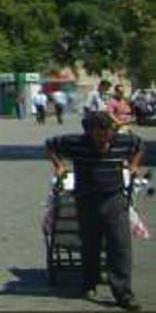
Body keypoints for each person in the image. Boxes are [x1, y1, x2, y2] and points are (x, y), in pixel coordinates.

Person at [46, 112, 145, 310]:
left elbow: (140, 145)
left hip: (114, 199)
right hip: (87, 199)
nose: (103, 140)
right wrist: (59, 165)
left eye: (107, 135)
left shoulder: (123, 141)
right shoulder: (75, 143)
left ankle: (123, 293)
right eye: (99, 136)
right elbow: (50, 144)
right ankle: (89, 282)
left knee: (120, 246)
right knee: (90, 244)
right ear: (89, 132)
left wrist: (134, 165)